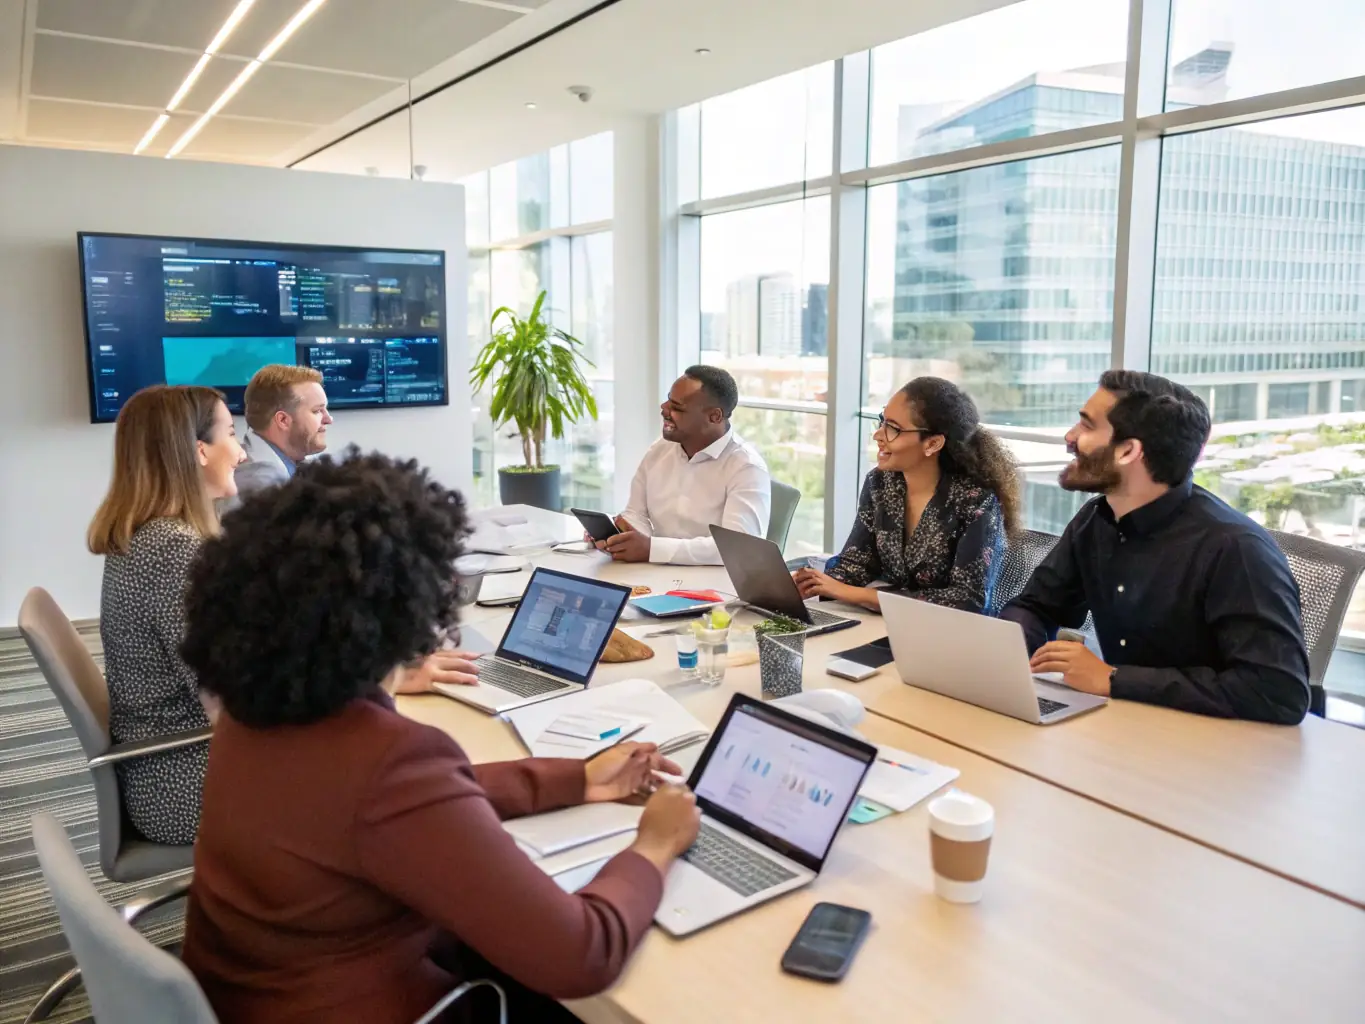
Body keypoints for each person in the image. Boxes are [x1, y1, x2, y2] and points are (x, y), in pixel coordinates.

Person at [179, 451, 702, 1024]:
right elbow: (582, 954)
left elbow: (397, 803)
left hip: (243, 996)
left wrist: (577, 777)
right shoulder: (386, 759)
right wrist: (654, 845)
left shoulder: (257, 708)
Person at [1000, 370, 1310, 724]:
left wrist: (1115, 679)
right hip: (1125, 724)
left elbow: (1277, 692)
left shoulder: (1234, 548)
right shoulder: (1096, 520)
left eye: (1086, 426)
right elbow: (1038, 606)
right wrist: (1006, 652)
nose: (1070, 437)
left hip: (1214, 749)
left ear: (1129, 450)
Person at [86, 385, 245, 845]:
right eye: (232, 435)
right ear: (199, 451)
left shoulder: (149, 537)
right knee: (377, 778)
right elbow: (229, 703)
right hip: (187, 782)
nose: (240, 453)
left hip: (165, 764)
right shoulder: (173, 549)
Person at [795, 377, 1019, 614]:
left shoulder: (975, 499)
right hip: (885, 625)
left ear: (932, 443)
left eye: (893, 428)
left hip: (949, 638)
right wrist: (812, 584)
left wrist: (854, 594)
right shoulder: (880, 483)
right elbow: (858, 563)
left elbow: (965, 601)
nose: (878, 435)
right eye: (882, 422)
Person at [598, 365, 770, 565]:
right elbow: (636, 513)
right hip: (657, 573)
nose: (664, 409)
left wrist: (652, 549)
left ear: (714, 416)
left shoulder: (746, 467)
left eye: (677, 407)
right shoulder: (660, 450)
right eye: (668, 400)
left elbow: (738, 547)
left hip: (713, 585)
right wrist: (621, 534)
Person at [232, 363, 333, 500]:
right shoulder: (258, 484)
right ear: (283, 420)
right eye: (317, 411)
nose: (329, 419)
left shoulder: (296, 463)